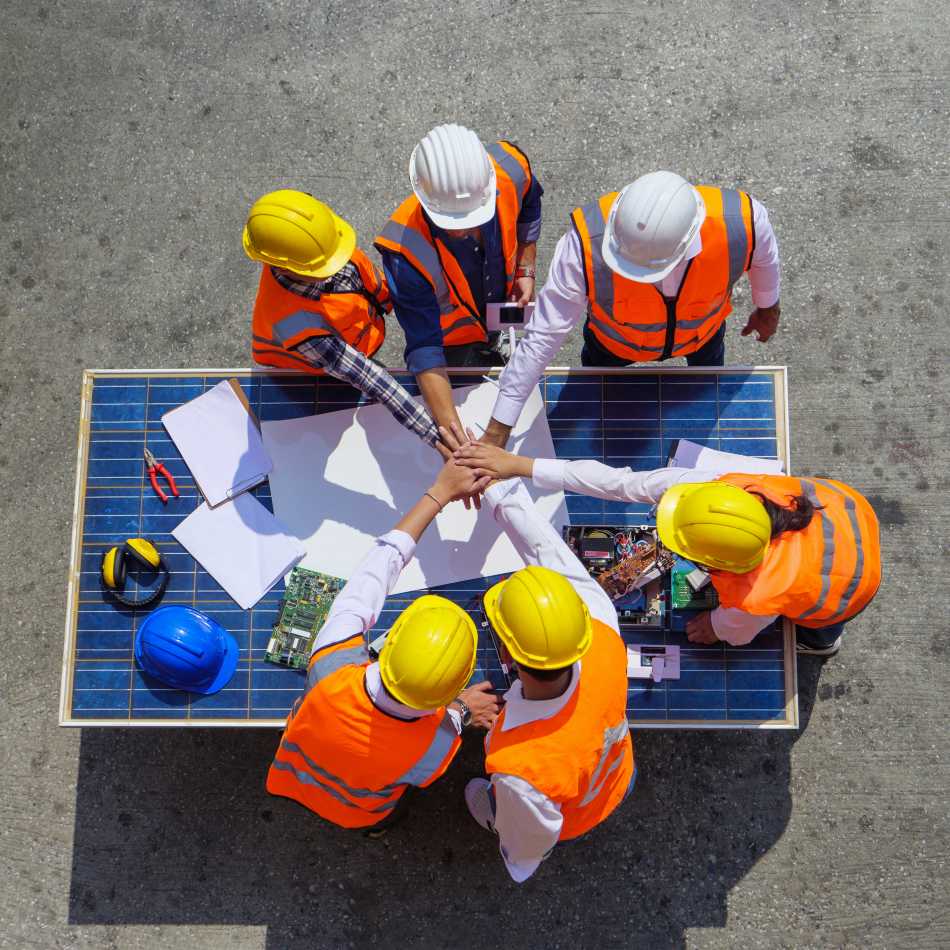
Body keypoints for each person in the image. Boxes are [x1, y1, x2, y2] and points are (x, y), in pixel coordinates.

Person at [452, 442, 881, 657]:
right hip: (849, 518)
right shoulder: (711, 492)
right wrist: (520, 466)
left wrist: (714, 626)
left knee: (818, 626)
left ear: (721, 564)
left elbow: (736, 632)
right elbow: (619, 482)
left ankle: (822, 643)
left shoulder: (757, 598)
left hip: (845, 593)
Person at [435, 427, 634, 882]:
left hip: (575, 811)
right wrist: (491, 473)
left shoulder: (519, 769)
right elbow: (545, 548)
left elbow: (525, 853)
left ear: (507, 652)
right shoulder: (601, 626)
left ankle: (491, 812)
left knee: (490, 798)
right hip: (616, 774)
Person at [266, 456, 500, 833]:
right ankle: (377, 830)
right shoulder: (436, 747)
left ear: (388, 645)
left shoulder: (330, 665)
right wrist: (462, 711)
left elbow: (374, 571)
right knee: (389, 814)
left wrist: (439, 493)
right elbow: (448, 728)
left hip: (293, 777)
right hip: (359, 811)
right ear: (453, 689)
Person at [478, 170, 781, 448]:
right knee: (590, 413)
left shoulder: (743, 221)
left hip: (703, 339)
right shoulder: (583, 245)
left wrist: (768, 307)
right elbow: (543, 335)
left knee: (702, 408)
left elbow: (764, 258)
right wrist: (499, 425)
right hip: (612, 348)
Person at [375, 123, 543, 438]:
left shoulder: (511, 169)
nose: (465, 231)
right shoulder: (403, 253)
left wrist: (525, 267)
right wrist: (454, 434)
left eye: (474, 218)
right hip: (453, 344)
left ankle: (495, 338)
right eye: (453, 224)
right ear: (423, 199)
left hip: (498, 301)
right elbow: (425, 347)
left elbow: (530, 206)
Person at [244, 189, 442, 449]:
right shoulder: (295, 323)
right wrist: (434, 436)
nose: (336, 266)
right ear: (283, 266)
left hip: (356, 343)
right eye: (322, 267)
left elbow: (376, 287)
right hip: (307, 375)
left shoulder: (324, 247)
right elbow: (370, 378)